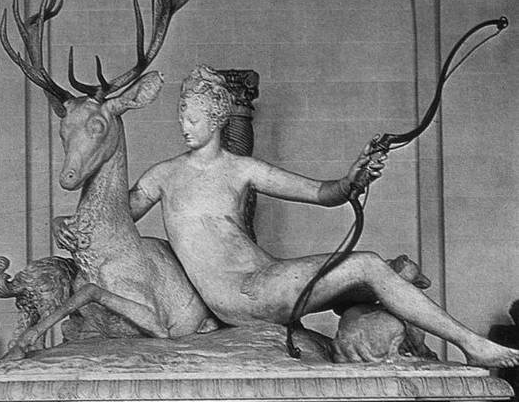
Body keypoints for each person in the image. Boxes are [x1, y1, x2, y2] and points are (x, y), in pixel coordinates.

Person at [56, 65, 519, 368]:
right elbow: (116, 221)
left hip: (267, 278)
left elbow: (323, 193)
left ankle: (447, 338)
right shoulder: (163, 175)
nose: (184, 126)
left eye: (193, 117)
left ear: (217, 118)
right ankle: (469, 344)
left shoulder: (242, 169)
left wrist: (354, 177)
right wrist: (74, 226)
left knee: (369, 273)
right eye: (181, 116)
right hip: (241, 295)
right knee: (368, 266)